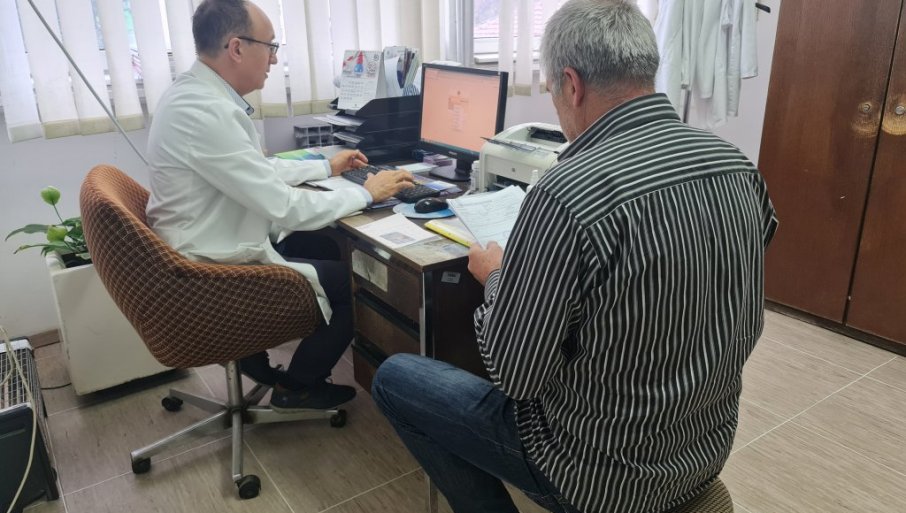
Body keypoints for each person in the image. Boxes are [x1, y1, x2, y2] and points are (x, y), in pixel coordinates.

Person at [371, 1, 778, 512]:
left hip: (596, 475)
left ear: (571, 84)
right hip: (700, 452)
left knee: (396, 379)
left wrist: (497, 278)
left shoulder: (567, 193)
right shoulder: (736, 166)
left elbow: (515, 376)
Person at [145, 0, 415, 411]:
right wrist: (367, 193)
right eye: (270, 46)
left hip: (197, 249)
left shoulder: (192, 94)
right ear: (237, 48)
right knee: (354, 284)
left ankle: (253, 358)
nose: (274, 59)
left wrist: (324, 166)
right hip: (210, 272)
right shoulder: (208, 112)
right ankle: (298, 387)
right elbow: (285, 207)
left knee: (322, 245)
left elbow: (250, 170)